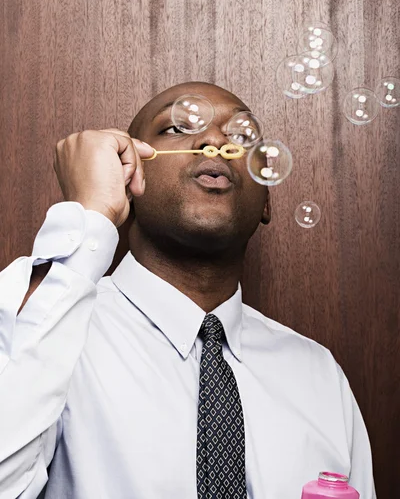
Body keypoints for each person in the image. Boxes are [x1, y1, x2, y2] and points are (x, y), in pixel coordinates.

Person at [0, 82, 375, 499]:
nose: (215, 140)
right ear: (128, 176)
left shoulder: (317, 374)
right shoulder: (45, 322)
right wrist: (91, 215)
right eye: (177, 130)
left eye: (241, 136)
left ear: (266, 197)